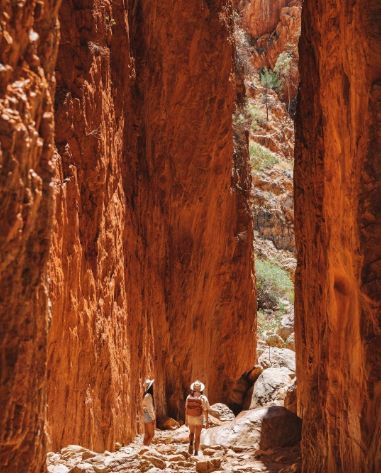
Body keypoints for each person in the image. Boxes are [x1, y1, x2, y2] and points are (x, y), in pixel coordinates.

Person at [185, 380, 210, 456]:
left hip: (190, 417)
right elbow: (205, 410)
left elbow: (186, 409)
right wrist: (207, 421)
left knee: (191, 432)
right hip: (199, 417)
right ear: (201, 389)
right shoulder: (203, 398)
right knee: (198, 435)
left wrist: (186, 420)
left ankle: (191, 443)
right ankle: (196, 452)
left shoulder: (189, 397)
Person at [142, 379, 156, 446]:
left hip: (145, 414)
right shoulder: (149, 396)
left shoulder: (145, 395)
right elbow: (150, 408)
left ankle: (143, 450)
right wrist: (153, 418)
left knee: (147, 434)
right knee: (151, 434)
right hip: (148, 415)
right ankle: (146, 449)